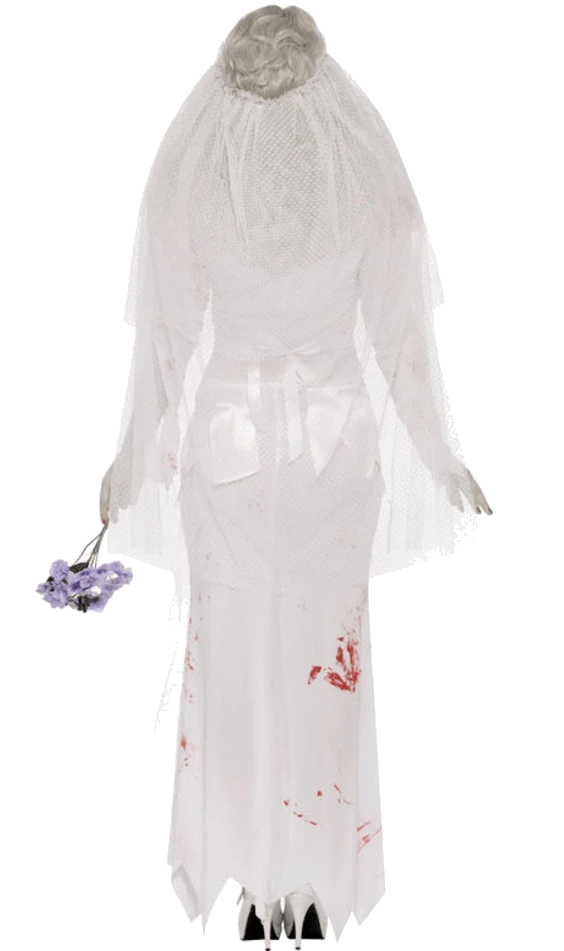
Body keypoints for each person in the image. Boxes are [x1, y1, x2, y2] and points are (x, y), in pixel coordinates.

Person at [100, 5, 491, 944]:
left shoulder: (197, 176)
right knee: (320, 659)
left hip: (234, 451)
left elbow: (165, 343)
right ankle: (298, 882)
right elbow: (398, 338)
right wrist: (438, 453)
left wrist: (130, 462)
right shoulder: (359, 171)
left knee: (238, 656)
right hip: (330, 451)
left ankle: (254, 875)